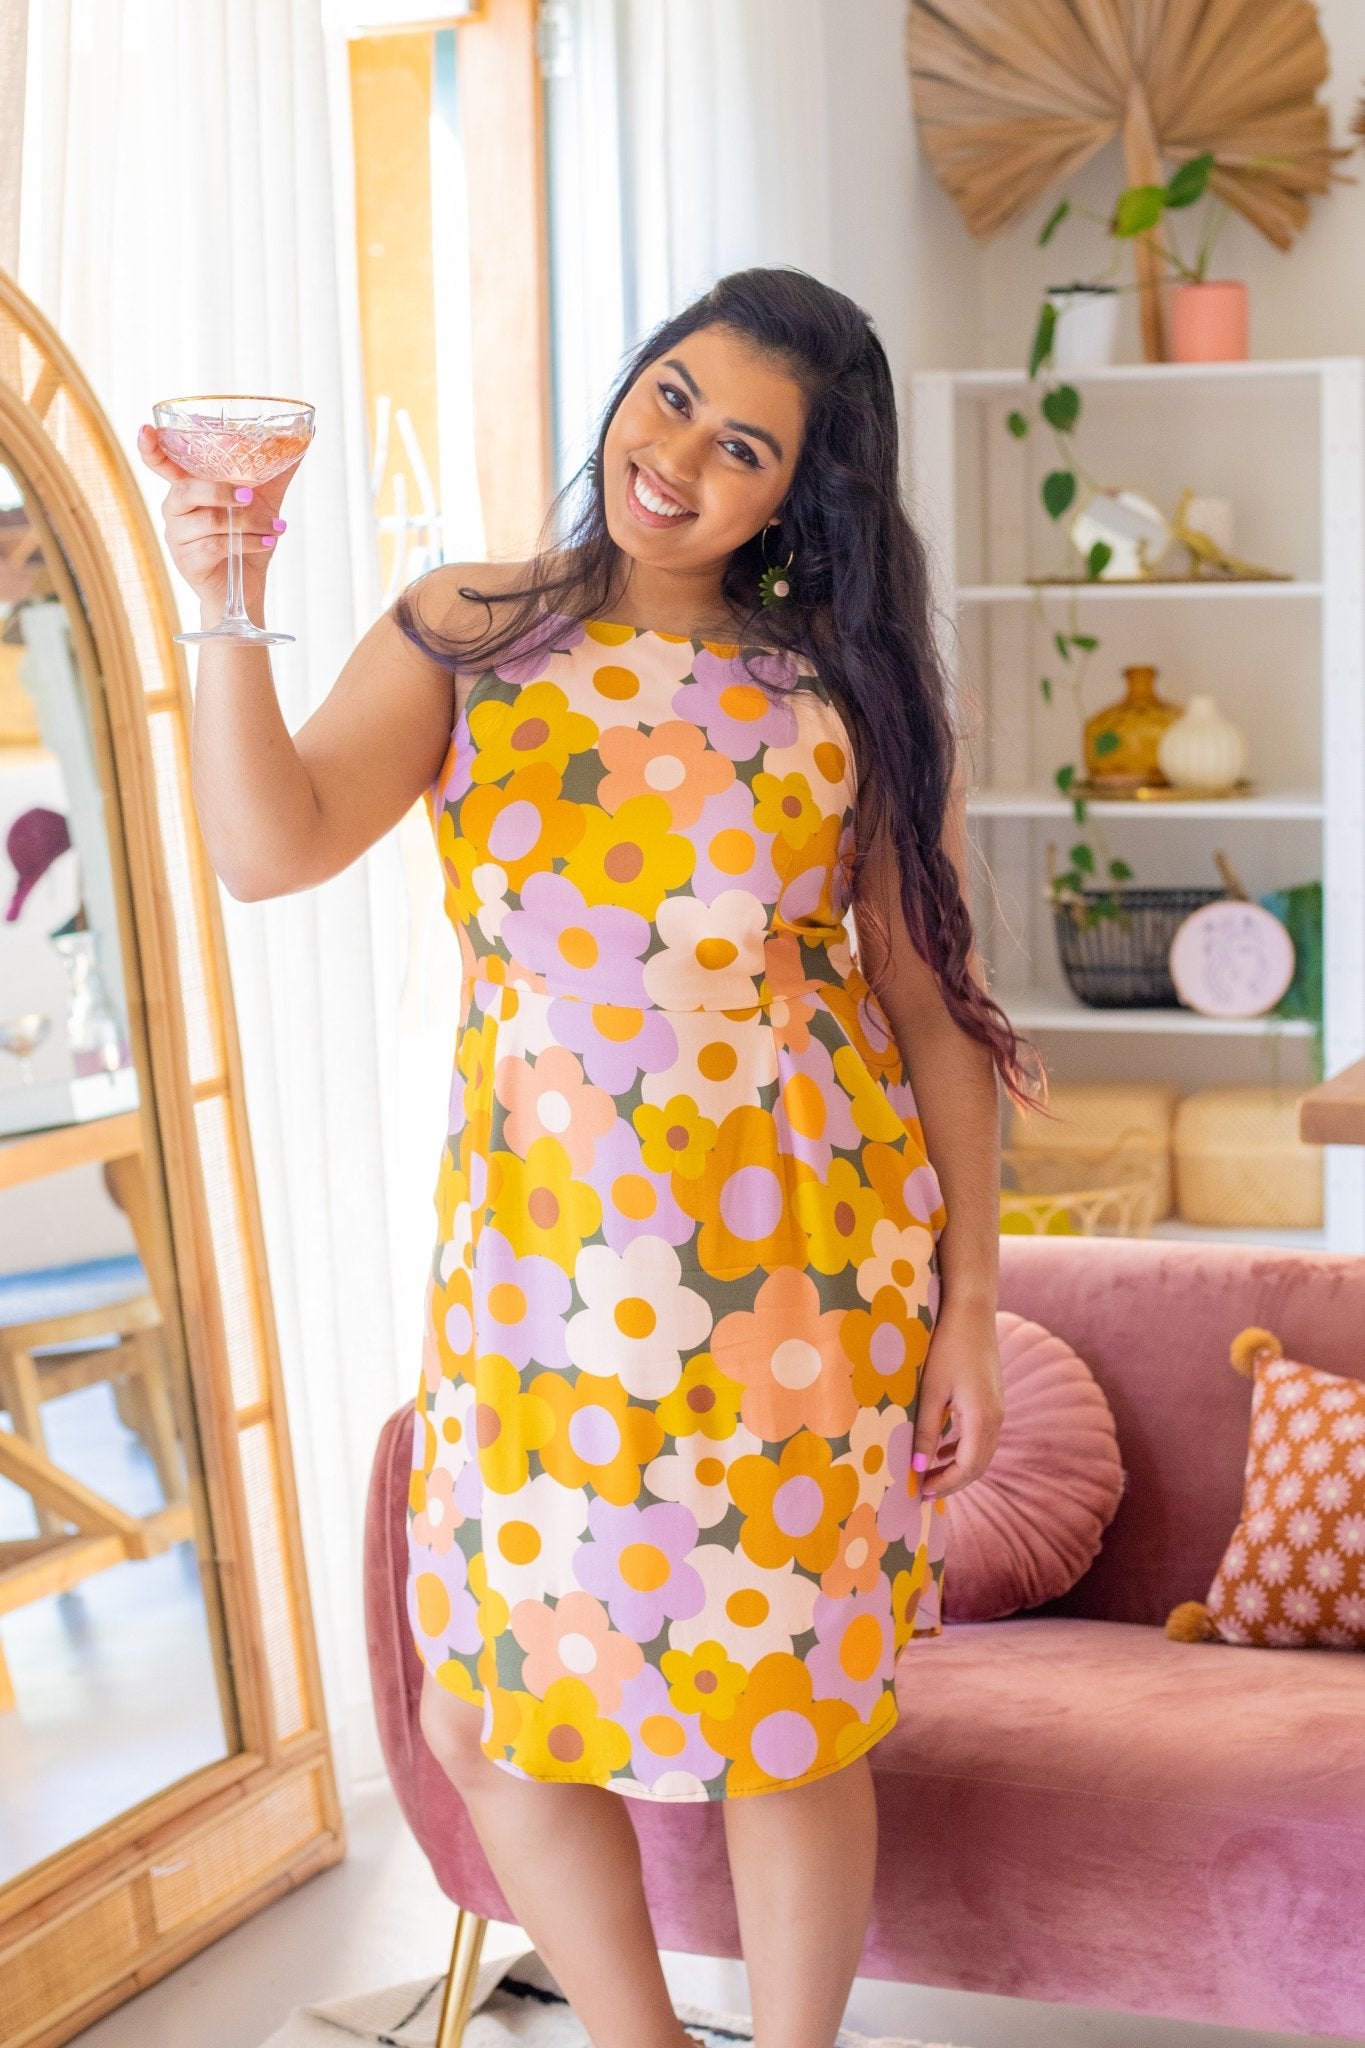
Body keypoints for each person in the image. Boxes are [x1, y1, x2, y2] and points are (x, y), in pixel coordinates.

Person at [138, 265, 1045, 2048]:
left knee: (785, 1716)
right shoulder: (471, 629)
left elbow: (933, 1012)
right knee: (489, 1713)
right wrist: (225, 599)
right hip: (536, 1271)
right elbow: (269, 847)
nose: (676, 459)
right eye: (670, 396)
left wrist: (969, 1306)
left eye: (742, 447)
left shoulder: (838, 685)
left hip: (803, 1265)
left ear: (797, 494)